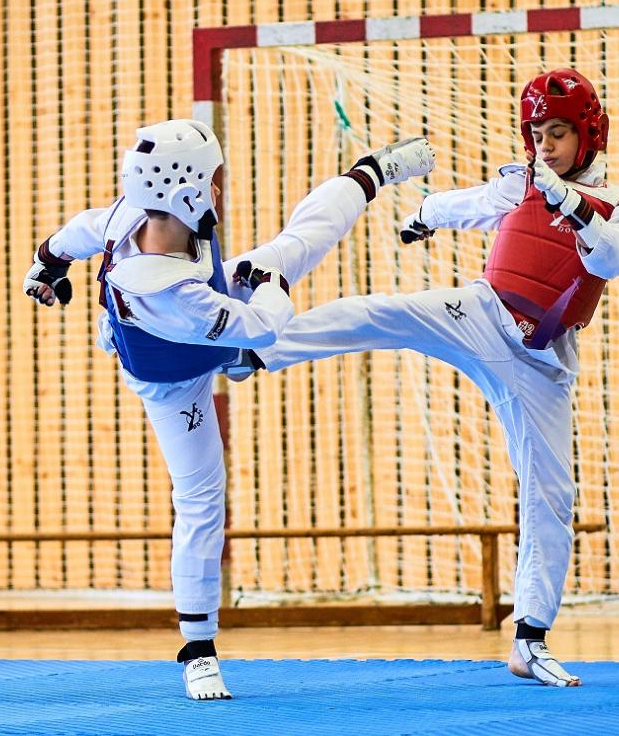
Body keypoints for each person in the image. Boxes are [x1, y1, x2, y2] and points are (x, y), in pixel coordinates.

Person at [230, 69, 619, 687]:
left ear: (588, 135)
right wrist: (425, 213)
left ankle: (529, 639)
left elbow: (615, 258)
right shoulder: (521, 184)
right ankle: (254, 350)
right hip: (480, 315)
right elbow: (471, 203)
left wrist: (574, 207)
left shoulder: (617, 207)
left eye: (557, 133)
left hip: (539, 359)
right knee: (379, 313)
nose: (544, 147)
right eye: (536, 135)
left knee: (550, 496)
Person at [23, 119, 433, 700]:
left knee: (295, 245)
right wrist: (266, 283)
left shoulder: (138, 213)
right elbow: (263, 327)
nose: (220, 187)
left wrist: (48, 263)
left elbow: (84, 228)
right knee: (199, 496)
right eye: (213, 178)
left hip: (212, 320)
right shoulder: (166, 289)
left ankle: (376, 171)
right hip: (178, 379)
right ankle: (197, 649)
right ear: (188, 190)